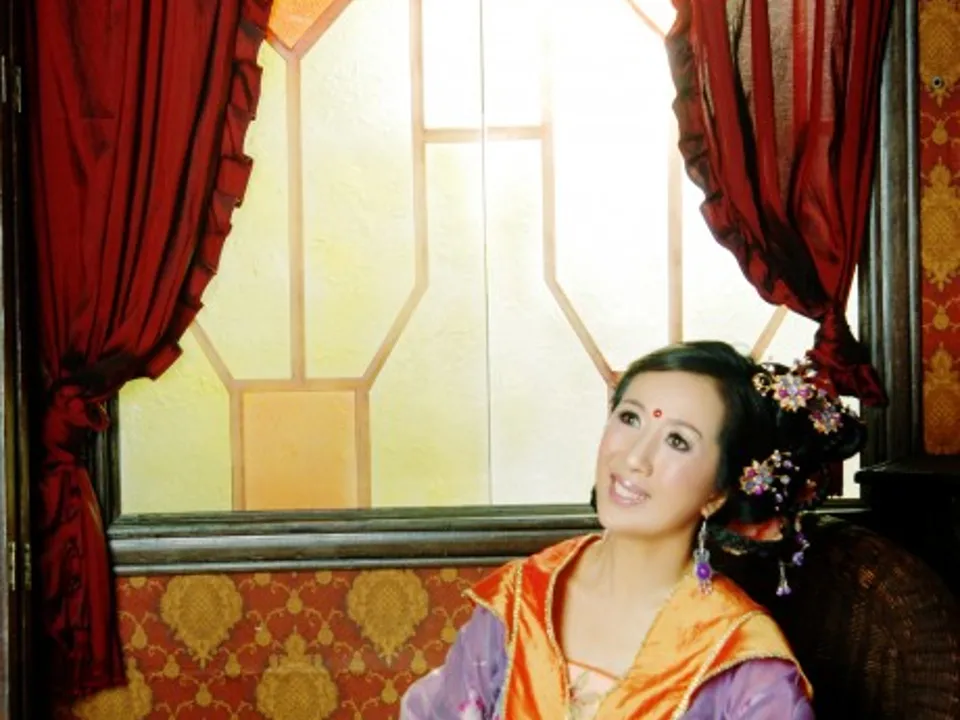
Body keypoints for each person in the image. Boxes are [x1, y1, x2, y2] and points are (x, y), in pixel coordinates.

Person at [400, 340, 866, 719]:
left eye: (678, 440)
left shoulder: (741, 659)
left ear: (718, 492)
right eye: (630, 418)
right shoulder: (522, 597)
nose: (634, 457)